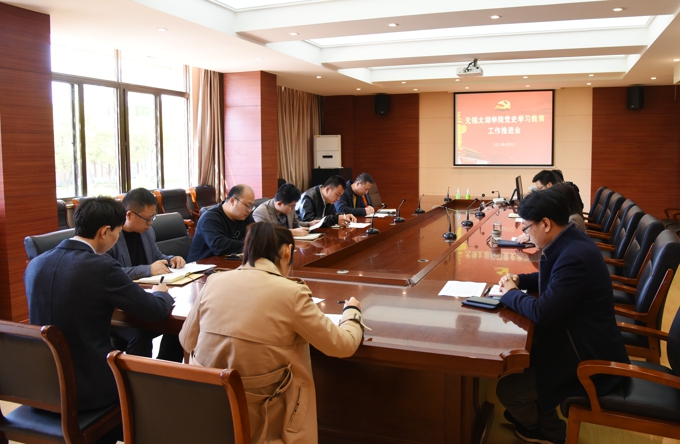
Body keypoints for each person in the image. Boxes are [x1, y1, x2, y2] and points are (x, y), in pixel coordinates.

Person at [180, 222, 364, 444]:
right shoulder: (291, 293)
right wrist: (352, 313)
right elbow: (342, 346)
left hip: (208, 414)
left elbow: (186, 340)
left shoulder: (214, 281)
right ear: (287, 251)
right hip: (266, 422)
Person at [25, 197, 173, 442]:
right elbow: (154, 311)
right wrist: (161, 294)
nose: (117, 238)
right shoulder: (101, 267)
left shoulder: (35, 264)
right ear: (105, 231)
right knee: (147, 400)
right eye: (117, 232)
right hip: (89, 390)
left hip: (39, 388)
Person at [495, 187, 629, 444]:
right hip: (576, 340)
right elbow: (555, 280)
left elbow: (542, 312)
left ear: (546, 224)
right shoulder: (570, 241)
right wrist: (521, 280)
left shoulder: (574, 257)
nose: (526, 234)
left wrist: (510, 293)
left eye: (527, 228)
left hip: (585, 358)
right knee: (523, 359)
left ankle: (547, 432)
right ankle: (542, 419)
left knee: (508, 389)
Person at [106, 187, 185, 362]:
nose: (150, 223)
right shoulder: (110, 237)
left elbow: (156, 256)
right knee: (141, 334)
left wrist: (171, 259)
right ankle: (139, 377)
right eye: (147, 219)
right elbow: (110, 273)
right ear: (129, 215)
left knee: (179, 324)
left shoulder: (147, 232)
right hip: (120, 307)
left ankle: (166, 367)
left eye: (153, 218)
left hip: (146, 297)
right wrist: (148, 269)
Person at [187, 184, 256, 262]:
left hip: (227, 262)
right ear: (232, 201)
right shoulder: (210, 218)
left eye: (251, 206)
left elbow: (256, 236)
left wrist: (253, 243)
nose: (249, 210)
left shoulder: (244, 216)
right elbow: (219, 246)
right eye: (247, 205)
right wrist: (251, 244)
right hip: (201, 265)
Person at [252, 183, 317, 236]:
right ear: (279, 204)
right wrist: (292, 232)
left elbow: (295, 223)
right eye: (292, 206)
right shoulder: (261, 212)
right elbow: (264, 234)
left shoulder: (289, 205)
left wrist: (309, 224)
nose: (293, 209)